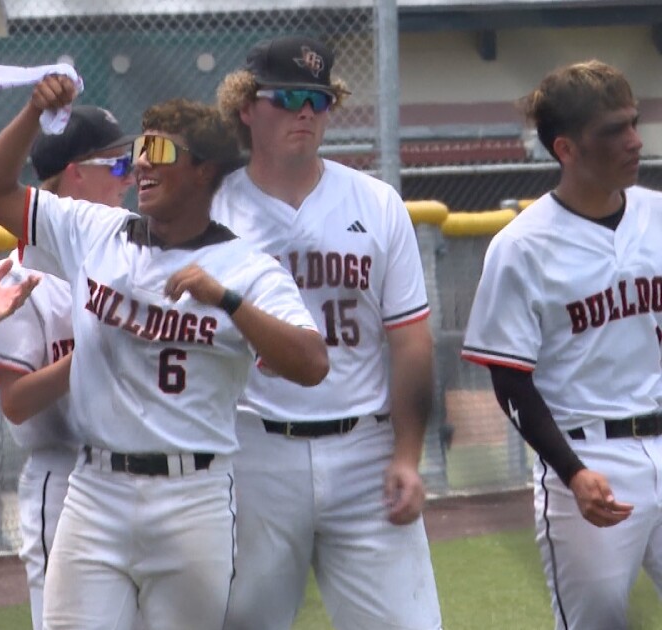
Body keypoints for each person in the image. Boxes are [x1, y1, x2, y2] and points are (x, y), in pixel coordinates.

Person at [0, 74, 329, 630]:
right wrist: (32, 117)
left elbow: (311, 363)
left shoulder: (246, 270)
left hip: (193, 497)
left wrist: (228, 301)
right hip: (94, 491)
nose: (140, 165)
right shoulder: (95, 229)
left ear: (204, 169)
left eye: (158, 151)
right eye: (138, 150)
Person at [214, 36, 441, 630]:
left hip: (365, 450)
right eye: (287, 97)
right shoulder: (214, 208)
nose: (306, 112)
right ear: (246, 107)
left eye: (319, 99)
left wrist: (409, 456)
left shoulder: (376, 201)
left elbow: (411, 340)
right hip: (251, 446)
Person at [462, 60, 661, 630]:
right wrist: (571, 471)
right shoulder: (521, 247)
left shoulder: (657, 214)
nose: (633, 140)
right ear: (567, 148)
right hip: (590, 456)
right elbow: (510, 380)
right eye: (613, 130)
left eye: (633, 122)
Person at [0, 104, 135, 630]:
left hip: (143, 470)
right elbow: (15, 403)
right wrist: (92, 351)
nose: (130, 179)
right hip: (65, 472)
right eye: (119, 166)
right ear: (77, 174)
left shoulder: (133, 253)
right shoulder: (21, 274)